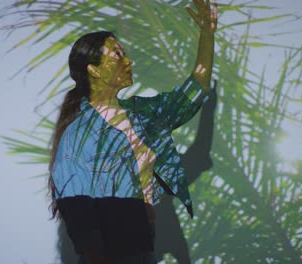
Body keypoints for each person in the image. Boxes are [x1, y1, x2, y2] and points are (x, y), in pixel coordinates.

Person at [49, 1, 217, 263]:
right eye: (117, 55)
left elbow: (192, 94)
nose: (128, 61)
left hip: (142, 251)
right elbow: (79, 215)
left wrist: (207, 36)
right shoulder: (78, 137)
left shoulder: (142, 114)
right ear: (94, 70)